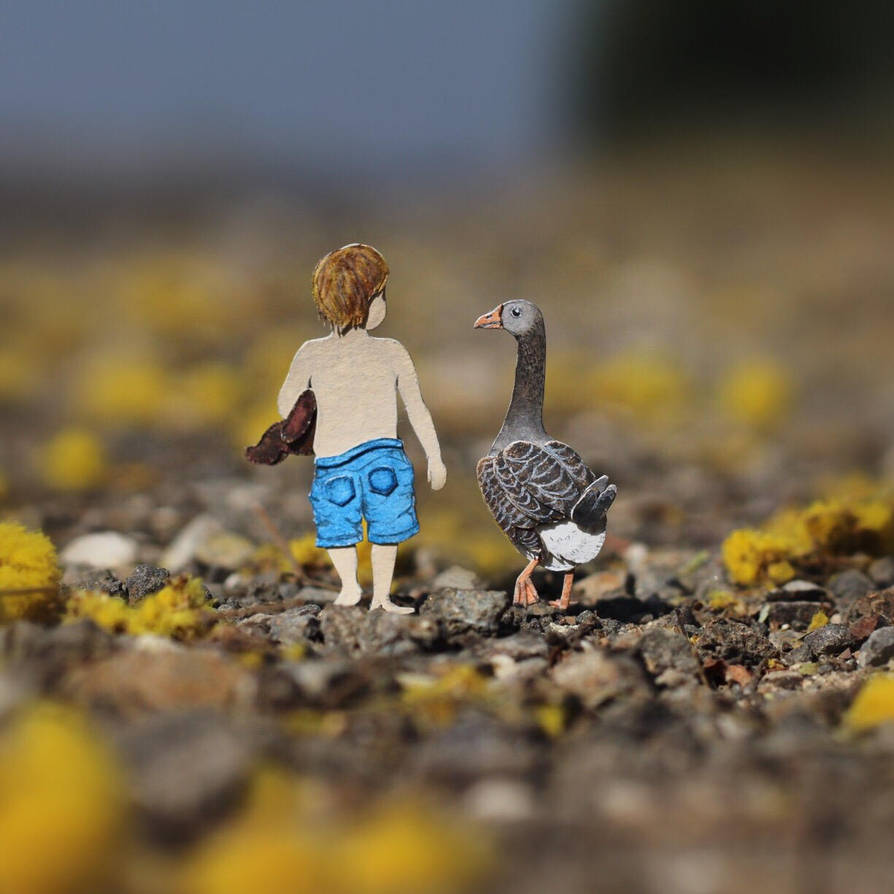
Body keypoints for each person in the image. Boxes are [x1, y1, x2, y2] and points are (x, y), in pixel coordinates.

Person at [277, 243, 447, 613]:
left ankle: (351, 587)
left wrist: (307, 411)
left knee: (338, 526)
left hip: (332, 460)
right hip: (382, 455)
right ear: (366, 302)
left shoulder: (310, 352)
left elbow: (285, 403)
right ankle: (381, 596)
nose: (385, 304)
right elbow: (416, 406)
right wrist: (434, 457)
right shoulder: (391, 350)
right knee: (388, 526)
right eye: (381, 295)